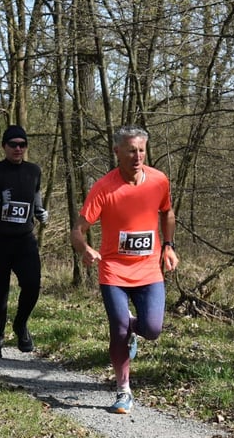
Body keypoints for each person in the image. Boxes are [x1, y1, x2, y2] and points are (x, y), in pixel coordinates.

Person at [69, 124, 178, 415]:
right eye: (131, 151)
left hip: (149, 270)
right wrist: (85, 249)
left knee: (152, 329)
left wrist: (169, 246)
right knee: (118, 329)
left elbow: (167, 212)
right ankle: (123, 390)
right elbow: (77, 229)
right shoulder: (104, 188)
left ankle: (132, 326)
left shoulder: (159, 180)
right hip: (114, 271)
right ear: (117, 151)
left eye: (141, 150)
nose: (137, 156)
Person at [0, 125, 49, 358]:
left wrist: (40, 211)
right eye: (13, 144)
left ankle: (20, 324)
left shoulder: (33, 171)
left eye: (22, 144)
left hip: (24, 240)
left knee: (32, 284)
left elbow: (35, 195)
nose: (18, 149)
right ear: (4, 146)